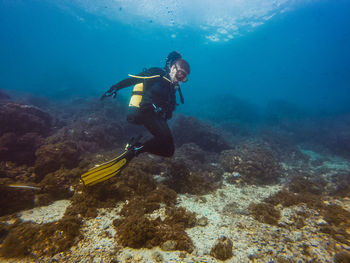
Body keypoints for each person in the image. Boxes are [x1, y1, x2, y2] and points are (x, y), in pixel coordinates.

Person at [80, 51, 190, 186]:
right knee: (164, 138)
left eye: (185, 78)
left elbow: (169, 110)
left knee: (169, 151)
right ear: (173, 67)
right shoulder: (157, 73)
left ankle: (136, 148)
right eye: (180, 74)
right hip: (146, 112)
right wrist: (114, 88)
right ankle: (133, 150)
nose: (181, 79)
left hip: (157, 118)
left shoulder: (173, 87)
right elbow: (134, 79)